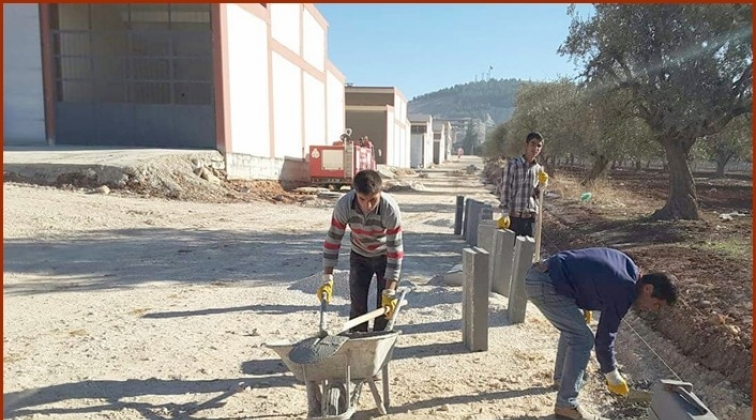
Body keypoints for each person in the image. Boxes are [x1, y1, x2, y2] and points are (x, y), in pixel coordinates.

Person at [525, 247, 678, 420]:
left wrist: (584, 302)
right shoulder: (625, 289)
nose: (653, 309)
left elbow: (589, 269)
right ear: (648, 289)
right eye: (656, 304)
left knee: (576, 330)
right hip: (546, 284)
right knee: (582, 339)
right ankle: (566, 405)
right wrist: (612, 375)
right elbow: (604, 339)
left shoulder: (628, 267)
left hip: (544, 275)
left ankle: (562, 380)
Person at [317, 169, 404, 332]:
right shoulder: (344, 205)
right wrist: (327, 278)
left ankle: (378, 339)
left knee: (384, 309)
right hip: (359, 256)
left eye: (373, 200)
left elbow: (395, 252)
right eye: (362, 199)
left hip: (385, 256)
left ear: (380, 192)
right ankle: (357, 339)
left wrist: (390, 291)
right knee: (357, 305)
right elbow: (333, 240)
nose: (367, 205)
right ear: (355, 193)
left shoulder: (390, 210)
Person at [497, 132, 549, 238]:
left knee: (528, 248)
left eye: (539, 146)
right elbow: (505, 189)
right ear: (526, 145)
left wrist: (543, 184)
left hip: (530, 220)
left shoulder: (539, 169)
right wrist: (505, 214)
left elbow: (537, 195)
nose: (535, 148)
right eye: (533, 144)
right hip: (513, 219)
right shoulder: (513, 165)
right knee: (510, 248)